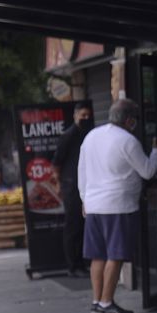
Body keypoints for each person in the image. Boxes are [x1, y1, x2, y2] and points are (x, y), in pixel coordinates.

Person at [78, 98, 157, 313]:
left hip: (94, 206)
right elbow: (147, 171)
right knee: (115, 255)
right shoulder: (127, 140)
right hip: (118, 206)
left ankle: (97, 302)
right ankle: (107, 303)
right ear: (129, 120)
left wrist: (85, 200)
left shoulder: (91, 137)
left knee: (98, 256)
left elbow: (82, 172)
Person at [53, 101, 94, 277]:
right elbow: (57, 162)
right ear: (75, 116)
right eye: (82, 115)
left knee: (83, 226)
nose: (86, 119)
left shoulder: (89, 134)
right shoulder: (69, 135)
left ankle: (81, 263)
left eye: (88, 116)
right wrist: (59, 184)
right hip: (72, 186)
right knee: (74, 226)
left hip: (85, 185)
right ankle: (73, 265)